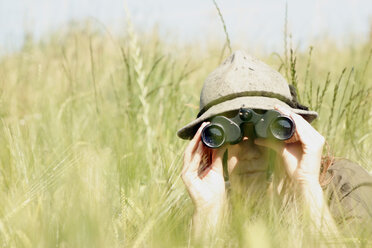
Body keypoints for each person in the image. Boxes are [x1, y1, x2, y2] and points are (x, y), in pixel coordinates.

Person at [177, 51, 372, 240]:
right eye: (229, 136)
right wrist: (207, 215)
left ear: (295, 130)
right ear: (207, 146)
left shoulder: (343, 185)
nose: (250, 153)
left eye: (268, 130)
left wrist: (307, 185)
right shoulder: (212, 200)